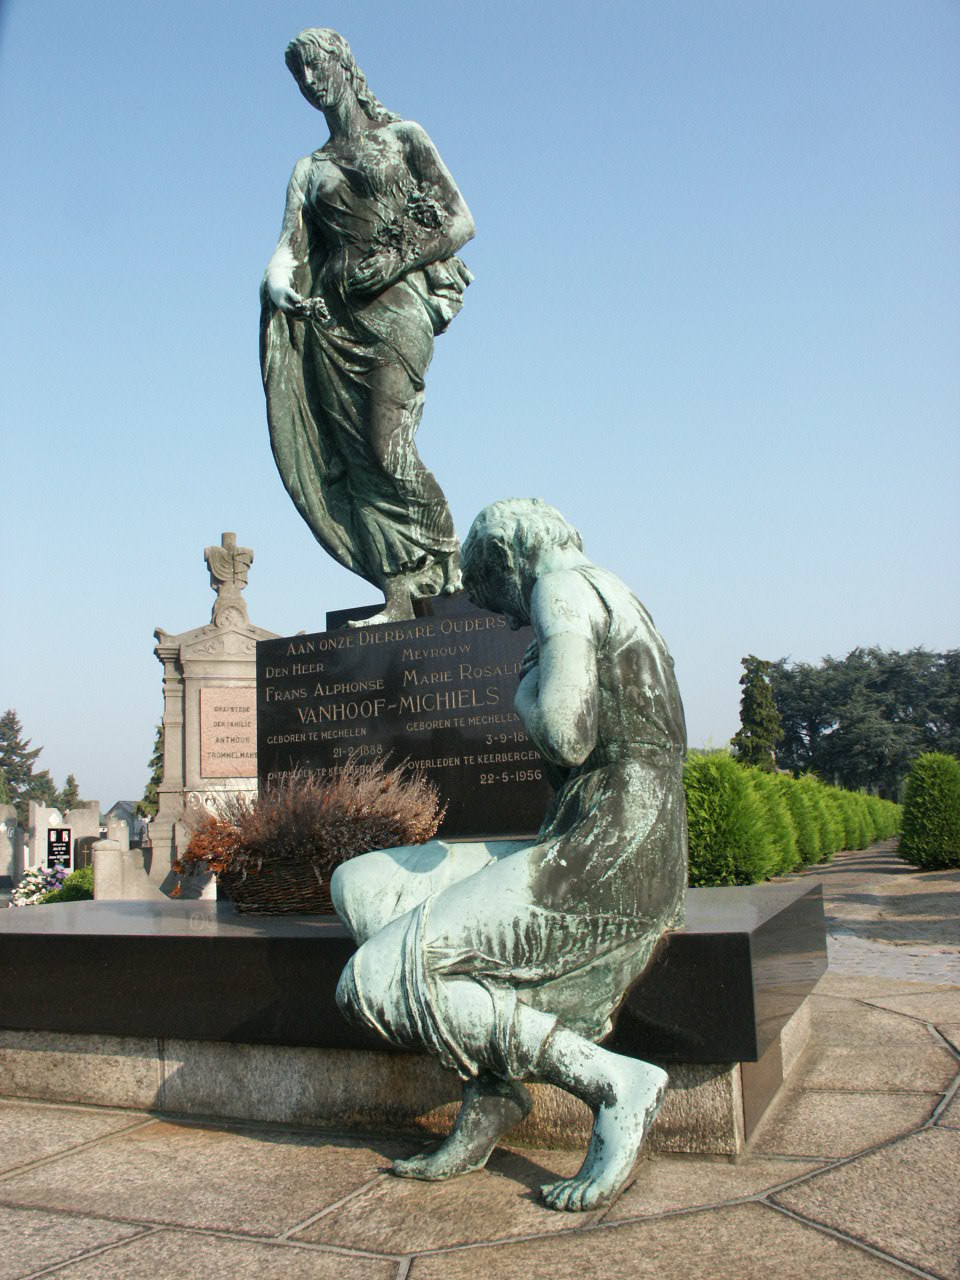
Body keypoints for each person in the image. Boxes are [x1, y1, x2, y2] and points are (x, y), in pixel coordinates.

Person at [332, 499, 689, 1211]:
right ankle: (493, 1090)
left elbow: (564, 733)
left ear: (503, 562)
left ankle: (612, 1082)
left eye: (500, 603)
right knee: (362, 886)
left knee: (371, 985)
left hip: (614, 850)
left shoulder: (560, 587)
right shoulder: (611, 592)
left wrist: (524, 692)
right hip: (590, 831)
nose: (508, 621)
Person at [261, 28, 475, 622]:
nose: (309, 82)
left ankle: (453, 564)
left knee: (386, 445)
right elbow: (289, 245)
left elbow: (460, 220)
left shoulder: (404, 137)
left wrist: (398, 259)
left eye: (315, 66)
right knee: (357, 460)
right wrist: (277, 280)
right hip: (333, 323)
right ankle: (399, 594)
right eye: (298, 76)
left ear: (344, 65)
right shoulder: (308, 169)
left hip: (398, 309)